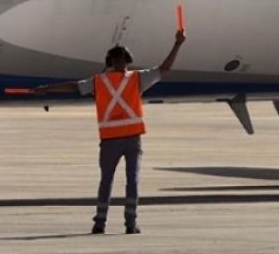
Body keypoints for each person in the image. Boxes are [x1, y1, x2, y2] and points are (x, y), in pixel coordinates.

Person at [32, 29, 186, 234]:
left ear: (110, 62)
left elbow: (73, 87)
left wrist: (47, 89)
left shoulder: (99, 82)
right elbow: (164, 68)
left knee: (106, 181)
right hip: (132, 139)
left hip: (110, 140)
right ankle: (130, 224)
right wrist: (177, 44)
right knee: (133, 180)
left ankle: (100, 223)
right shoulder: (137, 79)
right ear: (127, 60)